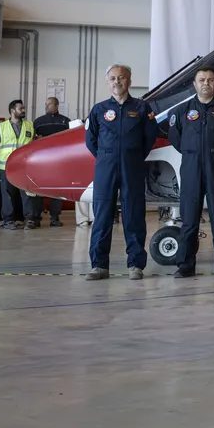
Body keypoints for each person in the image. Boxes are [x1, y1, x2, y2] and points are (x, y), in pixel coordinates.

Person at [167, 67, 214, 278]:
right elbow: (175, 138)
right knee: (189, 219)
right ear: (195, 84)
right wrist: (192, 151)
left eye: (210, 80)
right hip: (191, 168)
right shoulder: (182, 111)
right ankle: (185, 265)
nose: (206, 83)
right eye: (201, 80)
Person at [85, 64, 158, 280]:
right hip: (105, 167)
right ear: (108, 82)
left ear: (129, 81)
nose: (117, 81)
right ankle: (99, 266)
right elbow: (91, 140)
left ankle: (135, 265)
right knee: (102, 216)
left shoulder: (142, 108)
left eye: (122, 77)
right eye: (113, 78)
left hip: (132, 166)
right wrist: (107, 156)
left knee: (134, 214)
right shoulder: (98, 110)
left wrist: (133, 155)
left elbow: (150, 138)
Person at [0, 100, 34, 229]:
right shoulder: (1, 127)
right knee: (7, 194)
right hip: (6, 167)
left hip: (24, 166)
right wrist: (5, 159)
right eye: (20, 108)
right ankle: (8, 220)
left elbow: (32, 144)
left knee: (27, 193)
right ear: (12, 111)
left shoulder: (30, 125)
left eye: (23, 108)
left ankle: (30, 219)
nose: (23, 110)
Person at [32, 97, 72, 226]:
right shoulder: (38, 122)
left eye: (50, 104)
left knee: (57, 191)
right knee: (39, 190)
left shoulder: (65, 121)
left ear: (57, 105)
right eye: (46, 104)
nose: (47, 106)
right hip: (42, 162)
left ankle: (55, 218)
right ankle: (37, 217)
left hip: (60, 162)